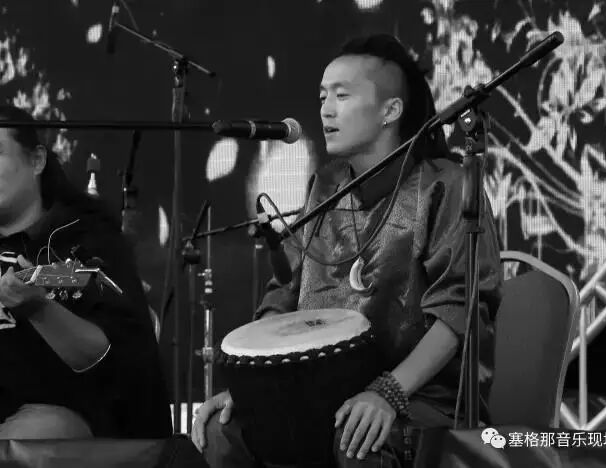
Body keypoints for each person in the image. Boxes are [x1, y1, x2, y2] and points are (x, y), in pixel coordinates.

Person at [192, 34, 502, 467]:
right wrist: (254, 387)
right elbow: (285, 291)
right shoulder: (326, 186)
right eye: (322, 96)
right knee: (219, 432)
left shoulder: (445, 184)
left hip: (421, 394)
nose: (326, 109)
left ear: (390, 111)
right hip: (316, 390)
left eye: (342, 95)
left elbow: (458, 309)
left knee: (357, 441)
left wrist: (388, 393)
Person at [0, 105, 172, 439]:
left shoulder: (86, 241)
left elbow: (117, 364)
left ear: (36, 160)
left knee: (41, 433)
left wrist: (39, 307)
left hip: (70, 427)